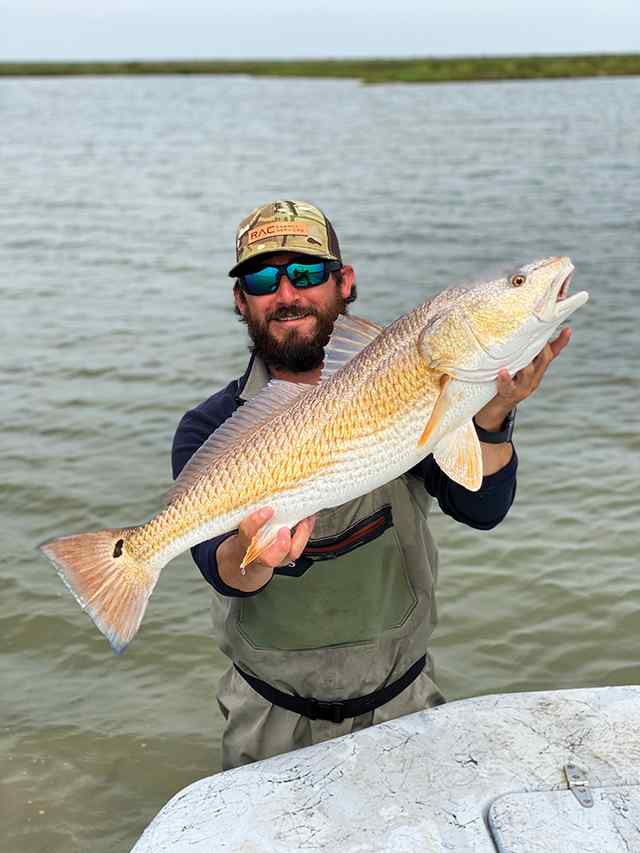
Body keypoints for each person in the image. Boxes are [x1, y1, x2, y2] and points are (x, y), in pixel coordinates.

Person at [172, 199, 571, 770]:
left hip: (403, 706)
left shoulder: (409, 376)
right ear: (242, 300)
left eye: (307, 274)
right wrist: (258, 555)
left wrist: (491, 416)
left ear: (344, 282)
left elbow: (481, 507)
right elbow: (221, 569)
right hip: (267, 718)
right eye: (263, 278)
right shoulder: (211, 426)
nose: (287, 295)